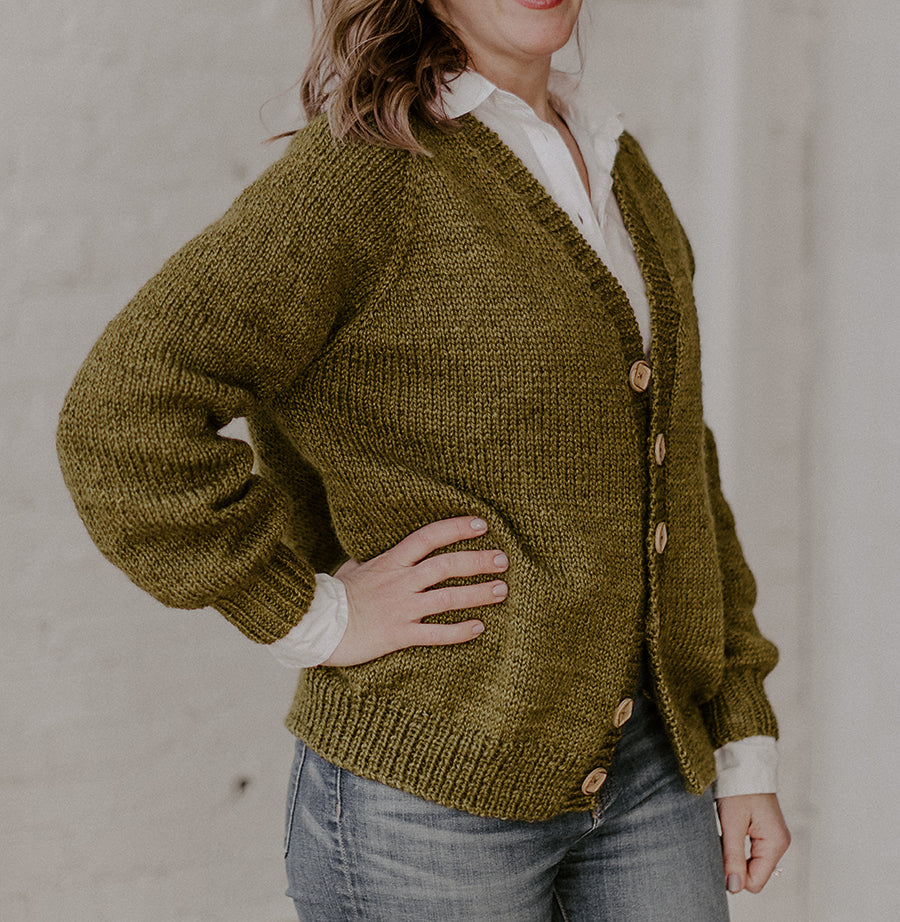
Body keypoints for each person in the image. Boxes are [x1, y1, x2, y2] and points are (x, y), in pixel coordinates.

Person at [57, 0, 791, 919]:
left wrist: (741, 740)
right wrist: (314, 616)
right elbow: (120, 414)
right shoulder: (366, 171)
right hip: (430, 801)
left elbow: (679, 465)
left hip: (652, 770)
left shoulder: (614, 160)